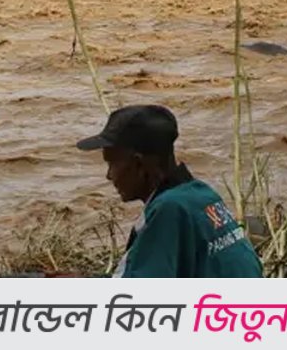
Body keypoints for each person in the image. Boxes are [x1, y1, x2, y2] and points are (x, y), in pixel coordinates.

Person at [76, 104, 263, 278]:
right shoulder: (202, 194)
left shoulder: (169, 210)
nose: (109, 176)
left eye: (112, 164)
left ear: (139, 165)